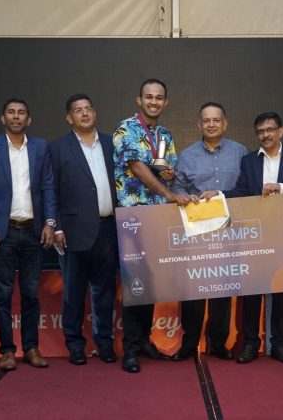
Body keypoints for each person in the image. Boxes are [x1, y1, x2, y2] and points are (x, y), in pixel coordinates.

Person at [204, 112, 283, 364]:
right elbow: (243, 191)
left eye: (270, 130)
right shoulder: (249, 161)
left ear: (280, 131)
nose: (266, 135)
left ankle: (280, 345)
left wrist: (281, 187)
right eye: (261, 131)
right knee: (252, 291)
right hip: (255, 234)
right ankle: (251, 343)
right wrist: (218, 194)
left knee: (281, 290)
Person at [113, 78, 194, 373]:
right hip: (133, 218)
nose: (154, 102)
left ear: (165, 102)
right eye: (149, 97)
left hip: (158, 218)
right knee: (135, 283)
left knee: (151, 282)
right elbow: (136, 167)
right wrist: (168, 192)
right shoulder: (126, 129)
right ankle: (130, 350)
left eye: (159, 97)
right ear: (139, 100)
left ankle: (144, 341)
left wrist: (169, 174)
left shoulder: (164, 134)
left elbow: (167, 169)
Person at [0, 98, 57, 371]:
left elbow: (48, 187)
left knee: (31, 294)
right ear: (3, 118)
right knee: (3, 295)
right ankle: (7, 351)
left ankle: (31, 348)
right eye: (11, 112)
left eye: (21, 113)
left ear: (28, 119)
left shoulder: (41, 147)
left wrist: (50, 223)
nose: (16, 116)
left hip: (34, 232)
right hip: (3, 233)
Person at [169, 102, 247, 362]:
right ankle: (189, 343)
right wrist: (185, 197)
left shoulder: (240, 152)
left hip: (229, 231)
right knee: (193, 289)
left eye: (216, 120)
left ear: (225, 123)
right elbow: (176, 189)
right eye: (206, 120)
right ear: (199, 125)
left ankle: (219, 343)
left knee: (222, 289)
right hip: (196, 231)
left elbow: (246, 187)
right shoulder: (186, 156)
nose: (211, 124)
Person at [50, 94, 118, 366]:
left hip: (108, 229)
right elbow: (51, 190)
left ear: (95, 113)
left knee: (105, 292)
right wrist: (56, 227)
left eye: (88, 108)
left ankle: (105, 344)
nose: (85, 113)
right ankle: (75, 345)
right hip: (72, 231)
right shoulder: (58, 148)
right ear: (70, 118)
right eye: (78, 110)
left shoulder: (111, 144)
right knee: (73, 293)